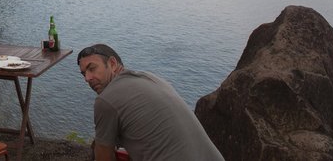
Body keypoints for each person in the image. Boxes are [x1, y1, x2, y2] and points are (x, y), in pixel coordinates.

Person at [77, 44, 224, 161]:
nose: (87, 78)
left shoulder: (106, 100)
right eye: (84, 73)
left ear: (113, 64)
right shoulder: (150, 78)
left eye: (92, 68)